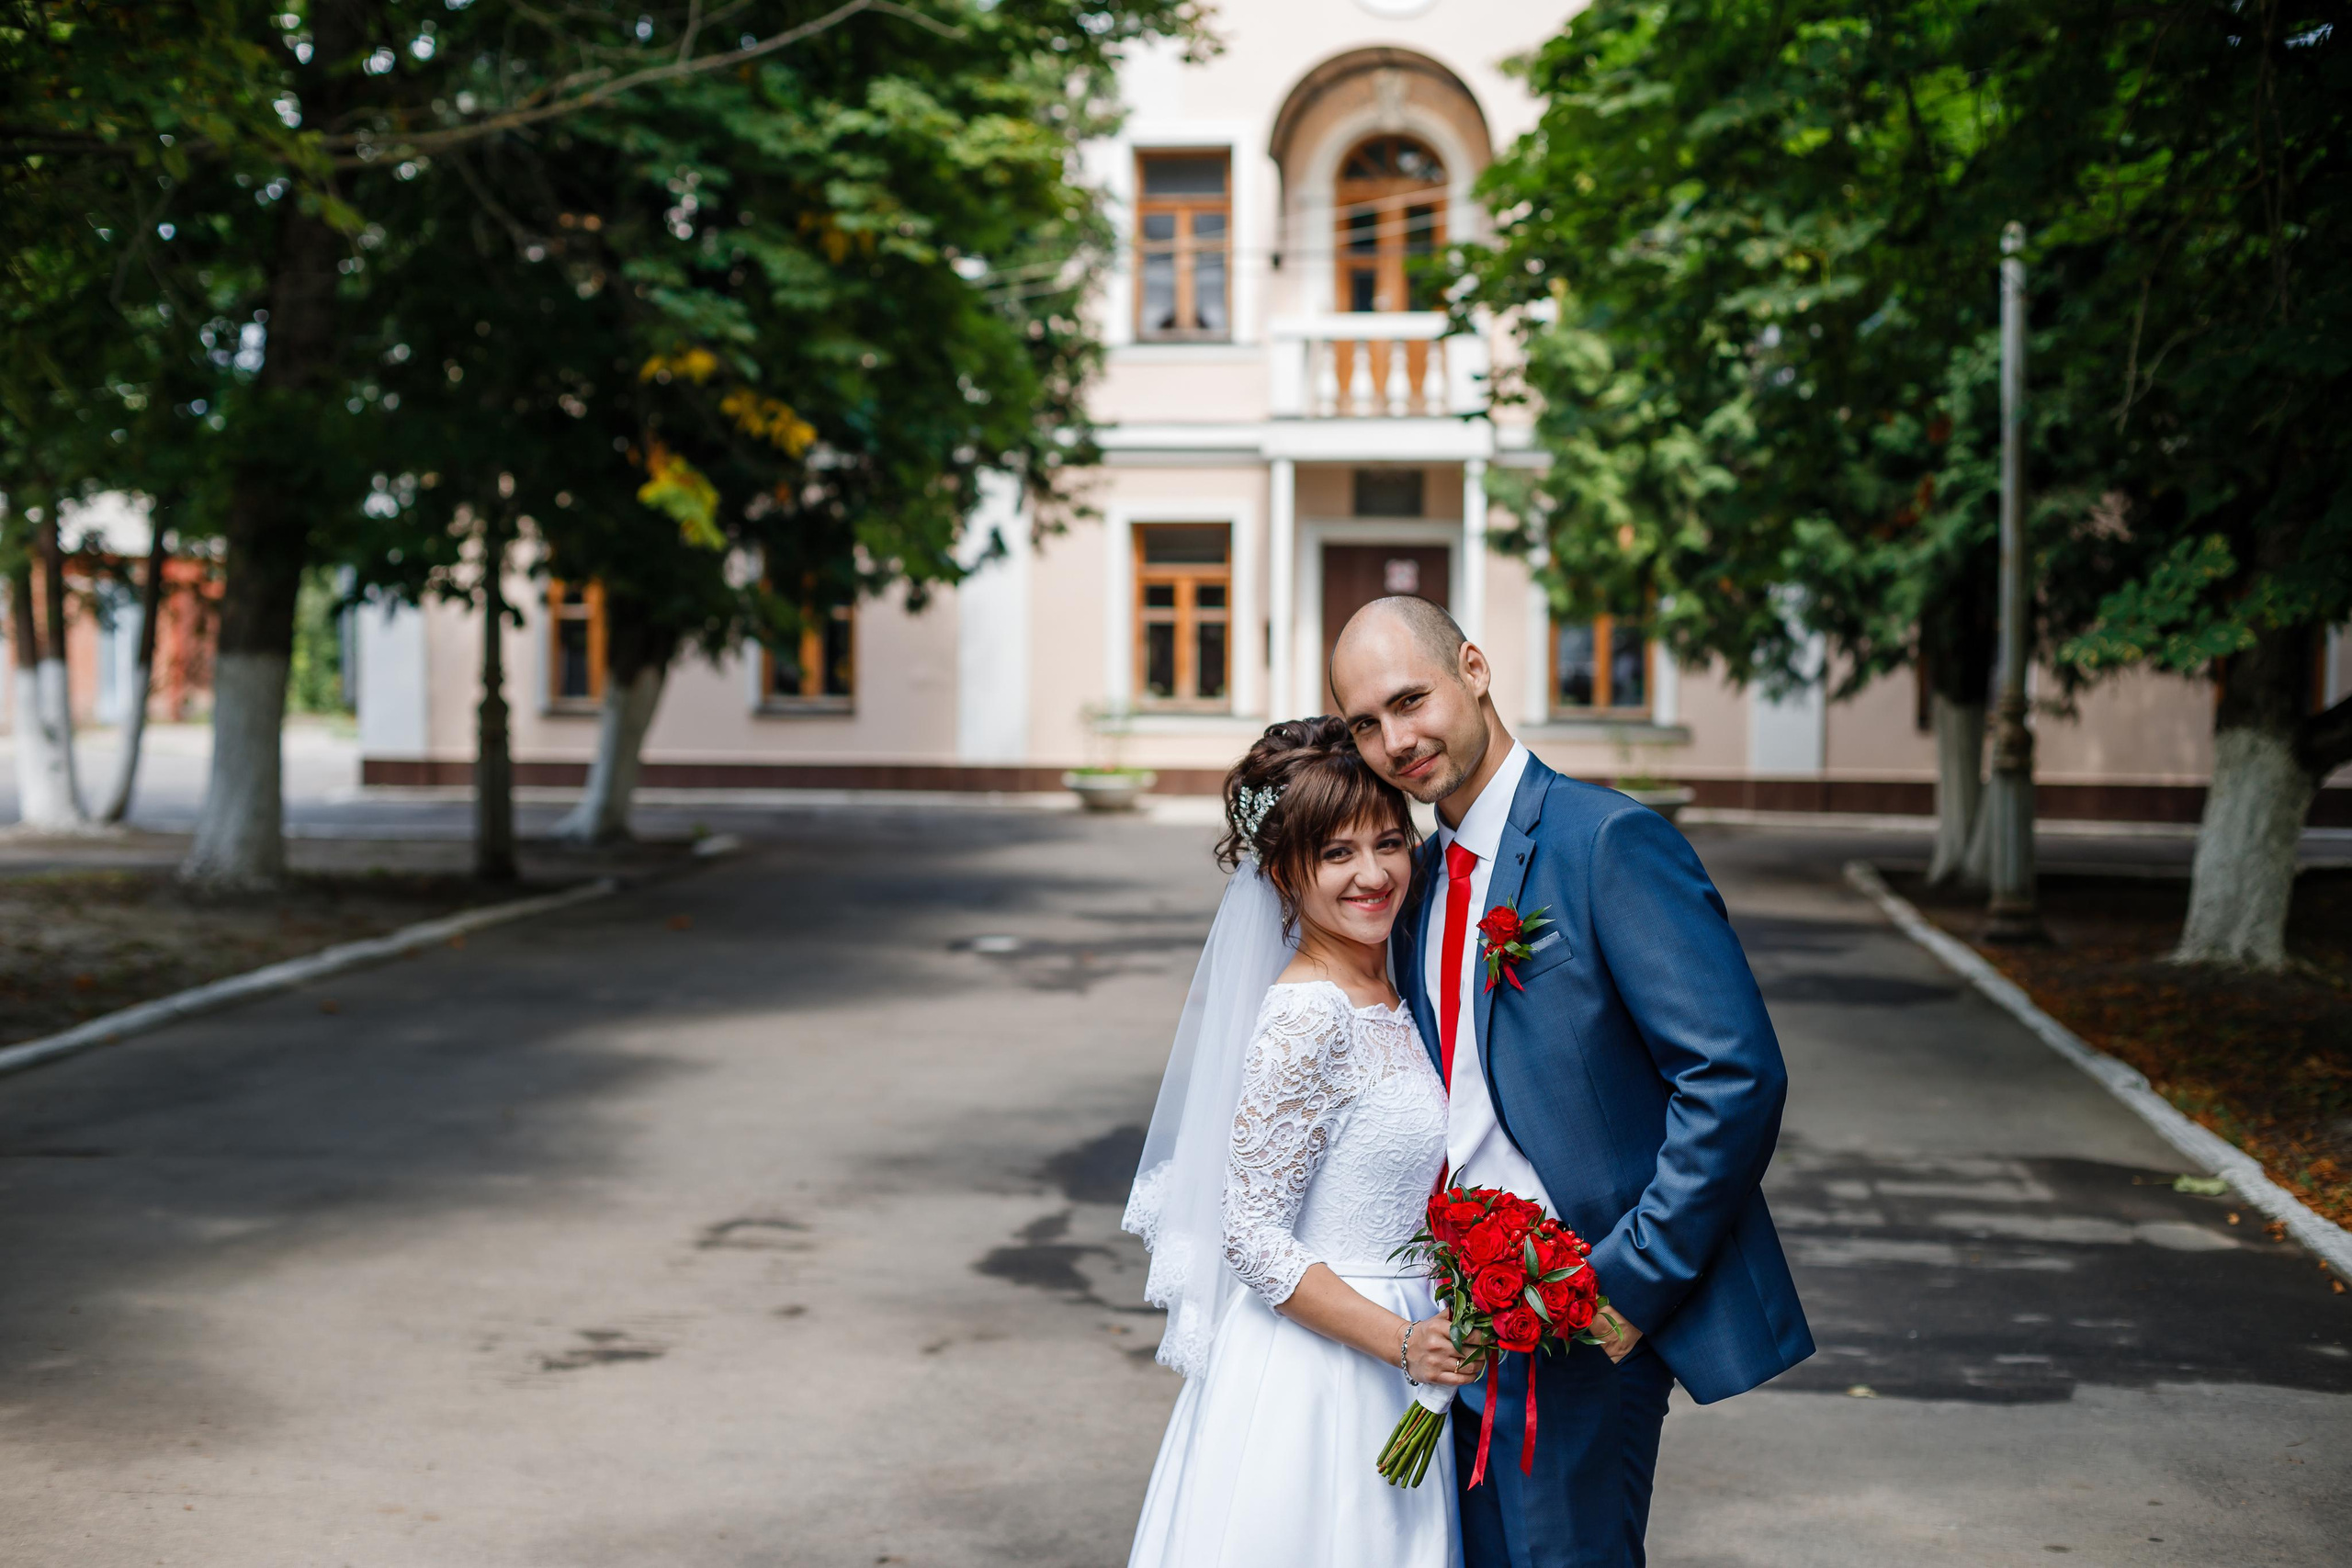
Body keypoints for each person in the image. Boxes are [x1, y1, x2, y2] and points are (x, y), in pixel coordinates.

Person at [1329, 596, 1815, 1568]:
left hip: (1583, 1317)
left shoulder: (1605, 843)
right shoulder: (1419, 882)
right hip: (1459, 1325)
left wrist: (1625, 1287)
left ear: (1472, 668)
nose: (1396, 740)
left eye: (1410, 699)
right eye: (1365, 725)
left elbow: (1733, 1079)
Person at [1124, 716, 1478, 1568]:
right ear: (1285, 870)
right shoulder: (1307, 1016)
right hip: (1326, 1367)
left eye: (1388, 842)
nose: (1372, 874)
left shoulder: (1388, 985)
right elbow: (1249, 1234)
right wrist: (1401, 1341)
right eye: (1336, 853)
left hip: (1404, 1341)